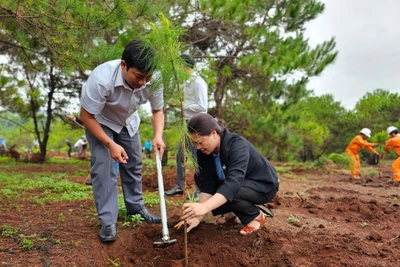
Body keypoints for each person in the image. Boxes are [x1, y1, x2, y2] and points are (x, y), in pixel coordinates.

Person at [79, 40, 165, 243]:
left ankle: (135, 207)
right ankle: (108, 221)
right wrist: (110, 144)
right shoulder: (102, 78)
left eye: (148, 77)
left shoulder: (156, 78)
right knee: (104, 167)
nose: (144, 82)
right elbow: (87, 116)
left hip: (128, 121)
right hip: (100, 121)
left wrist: (158, 135)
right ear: (123, 65)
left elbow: (157, 110)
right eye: (139, 76)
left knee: (134, 162)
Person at [174, 113, 279, 236]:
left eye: (200, 142)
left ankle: (255, 217)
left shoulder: (237, 145)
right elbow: (207, 184)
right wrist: (197, 216)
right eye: (194, 143)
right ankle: (231, 215)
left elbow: (233, 183)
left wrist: (205, 207)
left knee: (231, 191)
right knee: (206, 180)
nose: (197, 147)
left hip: (264, 185)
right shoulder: (204, 153)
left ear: (214, 133)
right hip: (242, 183)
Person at [165, 54, 208, 200]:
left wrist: (181, 104)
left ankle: (201, 189)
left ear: (184, 66)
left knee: (197, 159)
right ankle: (180, 186)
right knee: (180, 156)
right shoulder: (185, 83)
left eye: (178, 65)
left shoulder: (198, 83)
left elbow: (203, 107)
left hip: (197, 125)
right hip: (186, 124)